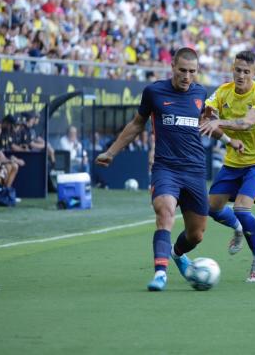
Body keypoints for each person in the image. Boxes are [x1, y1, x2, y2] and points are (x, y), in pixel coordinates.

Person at [95, 47, 241, 291]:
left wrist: (229, 141)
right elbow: (136, 124)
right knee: (165, 214)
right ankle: (160, 274)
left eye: (192, 71)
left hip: (195, 170)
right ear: (172, 67)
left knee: (196, 235)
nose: (186, 76)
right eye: (182, 70)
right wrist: (111, 152)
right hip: (166, 168)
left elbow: (204, 124)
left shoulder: (200, 93)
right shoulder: (154, 92)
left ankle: (177, 254)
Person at [199, 50, 255, 283]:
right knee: (211, 208)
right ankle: (238, 228)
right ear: (232, 69)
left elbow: (248, 122)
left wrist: (218, 121)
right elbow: (206, 119)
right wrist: (209, 118)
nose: (241, 75)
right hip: (233, 161)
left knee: (243, 208)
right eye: (237, 70)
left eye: (246, 72)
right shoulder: (222, 93)